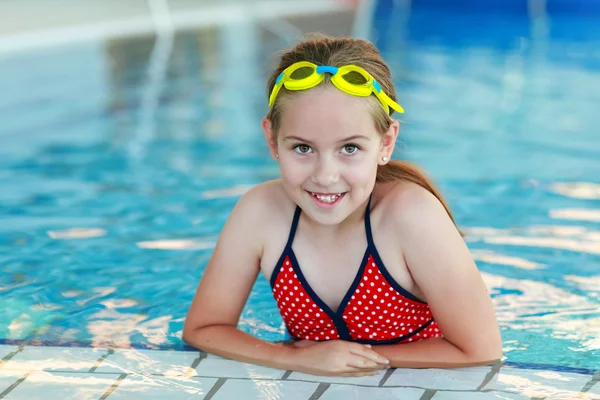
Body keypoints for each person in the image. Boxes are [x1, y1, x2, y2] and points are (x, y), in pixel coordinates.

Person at [183, 35, 502, 377]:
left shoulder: (411, 216)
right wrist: (292, 359)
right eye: (303, 148)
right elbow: (202, 329)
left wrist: (346, 358)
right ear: (272, 139)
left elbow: (480, 350)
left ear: (386, 142)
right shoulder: (260, 212)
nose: (325, 176)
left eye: (349, 148)